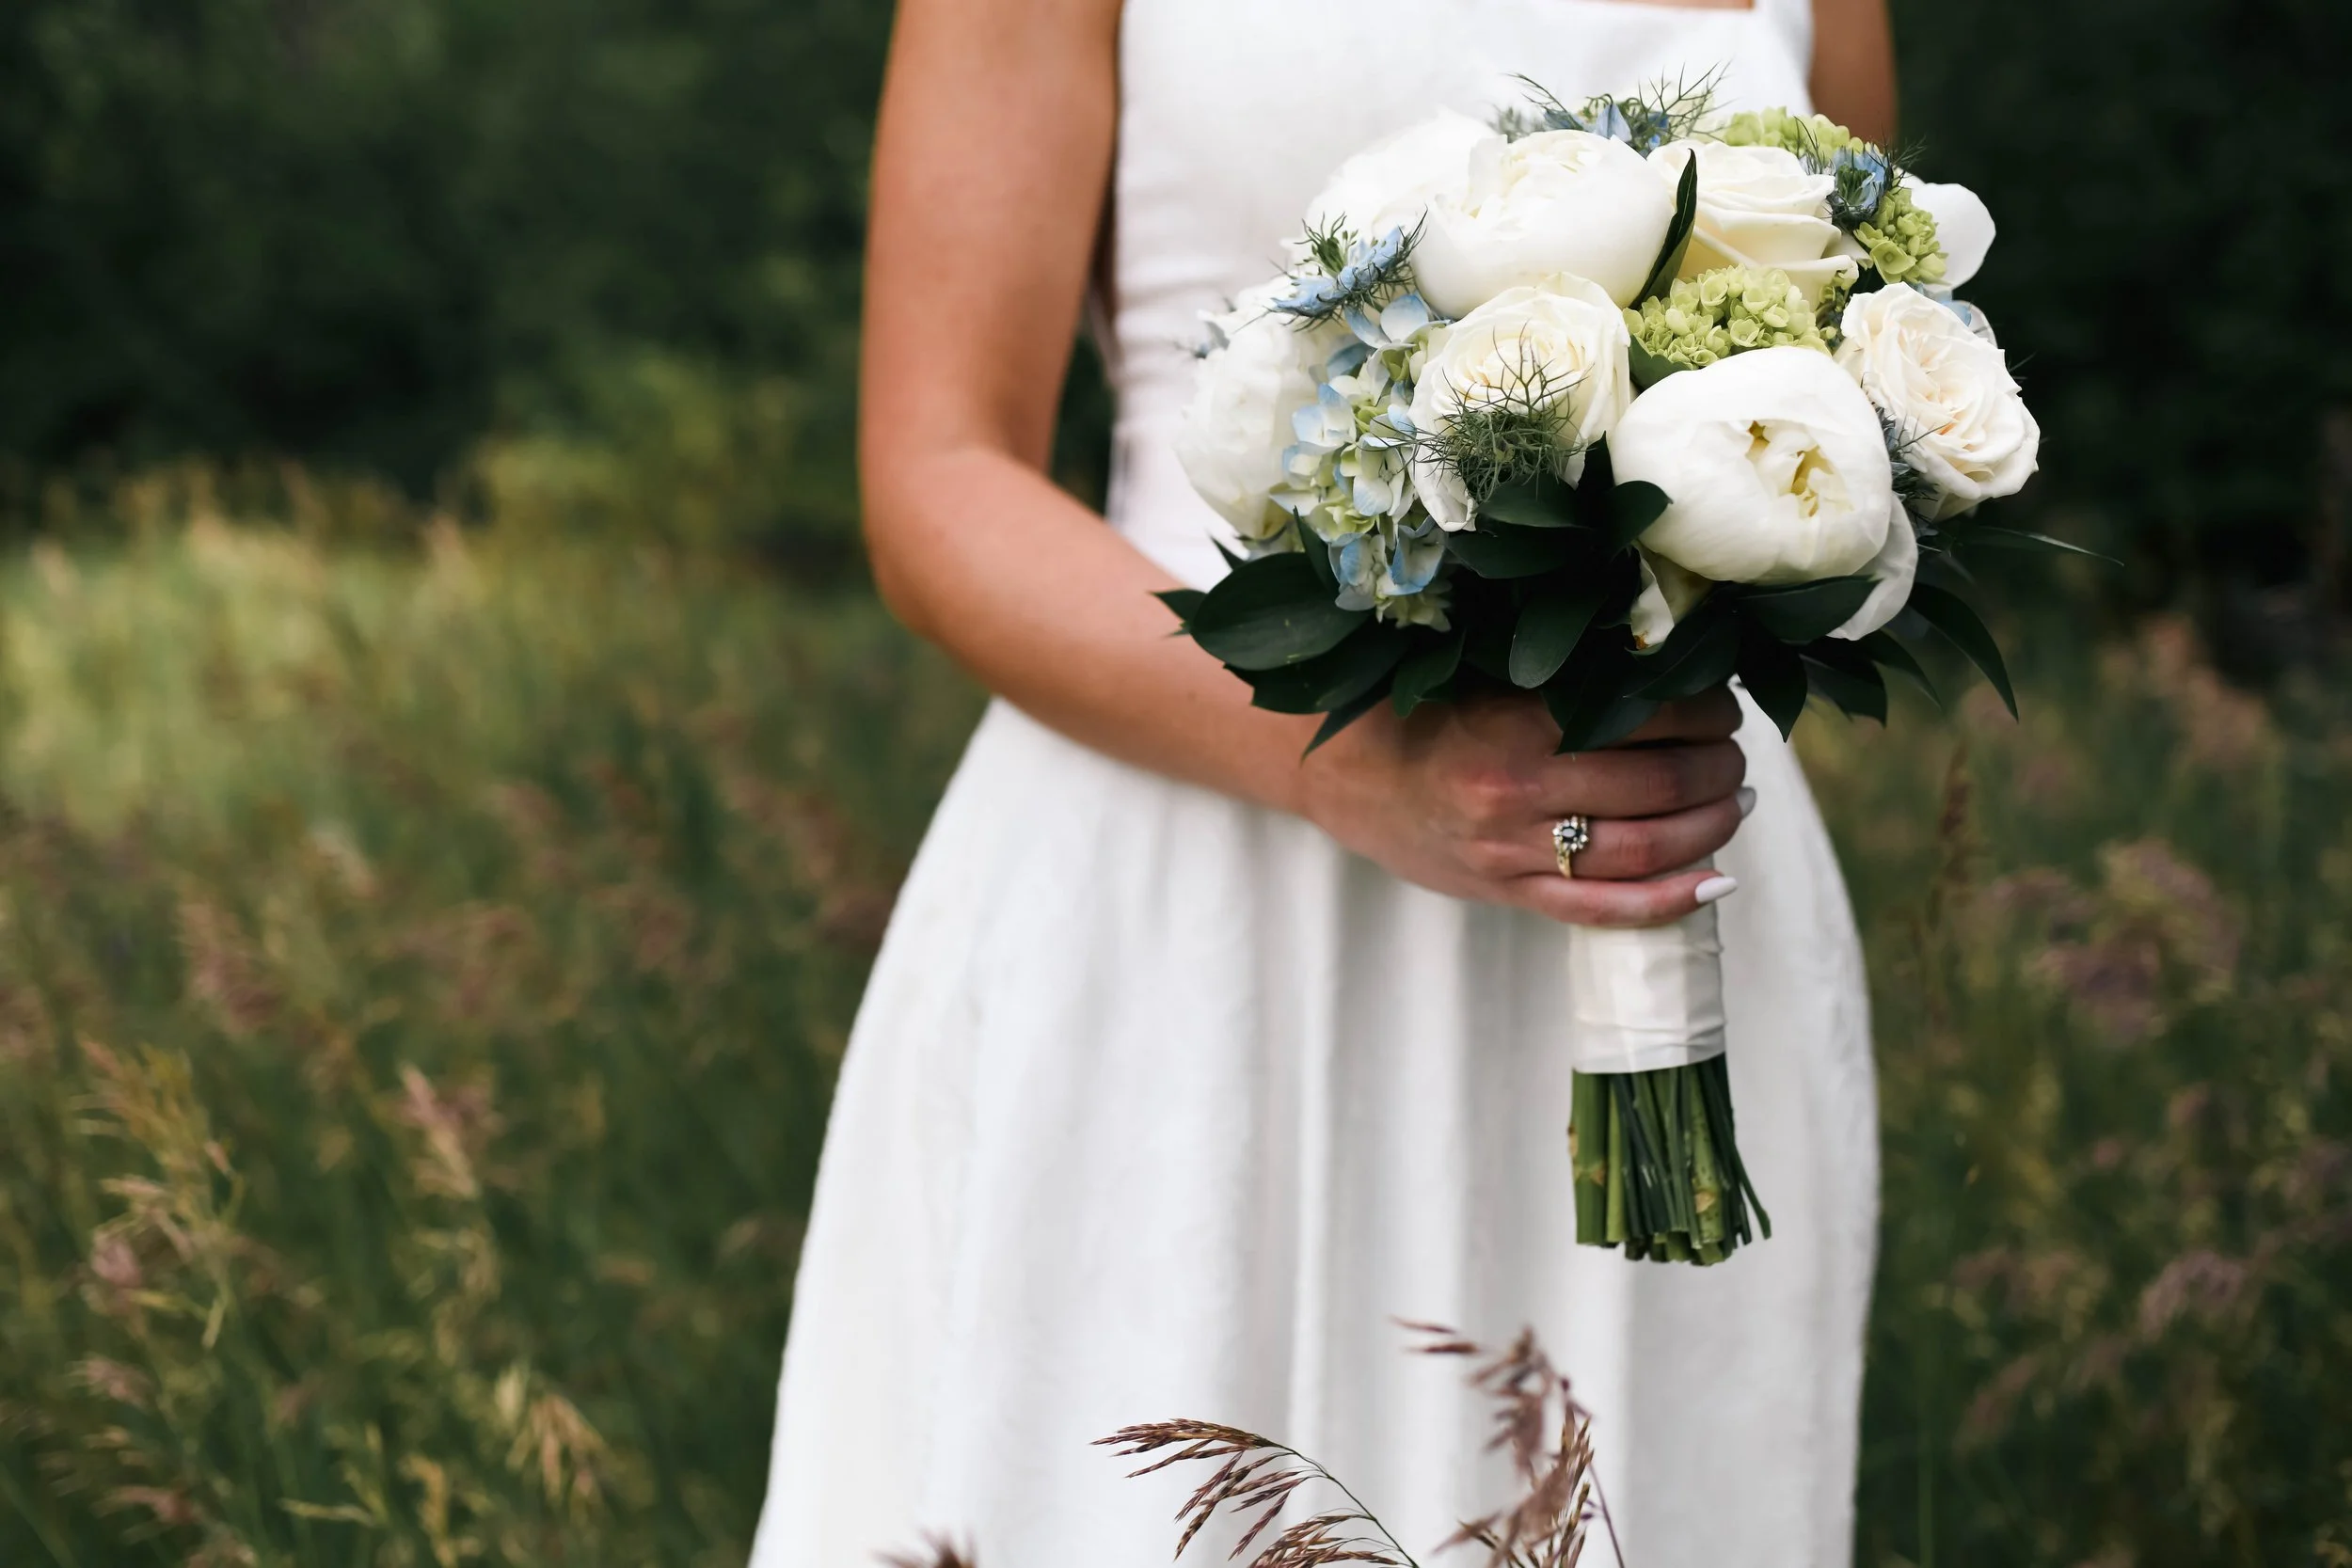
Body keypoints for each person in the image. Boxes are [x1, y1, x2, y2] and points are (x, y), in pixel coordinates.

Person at [752, 0, 1896, 1561]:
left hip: (1665, 928)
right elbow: (939, 470)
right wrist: (1339, 754)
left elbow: (1864, 357)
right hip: (1195, 904)